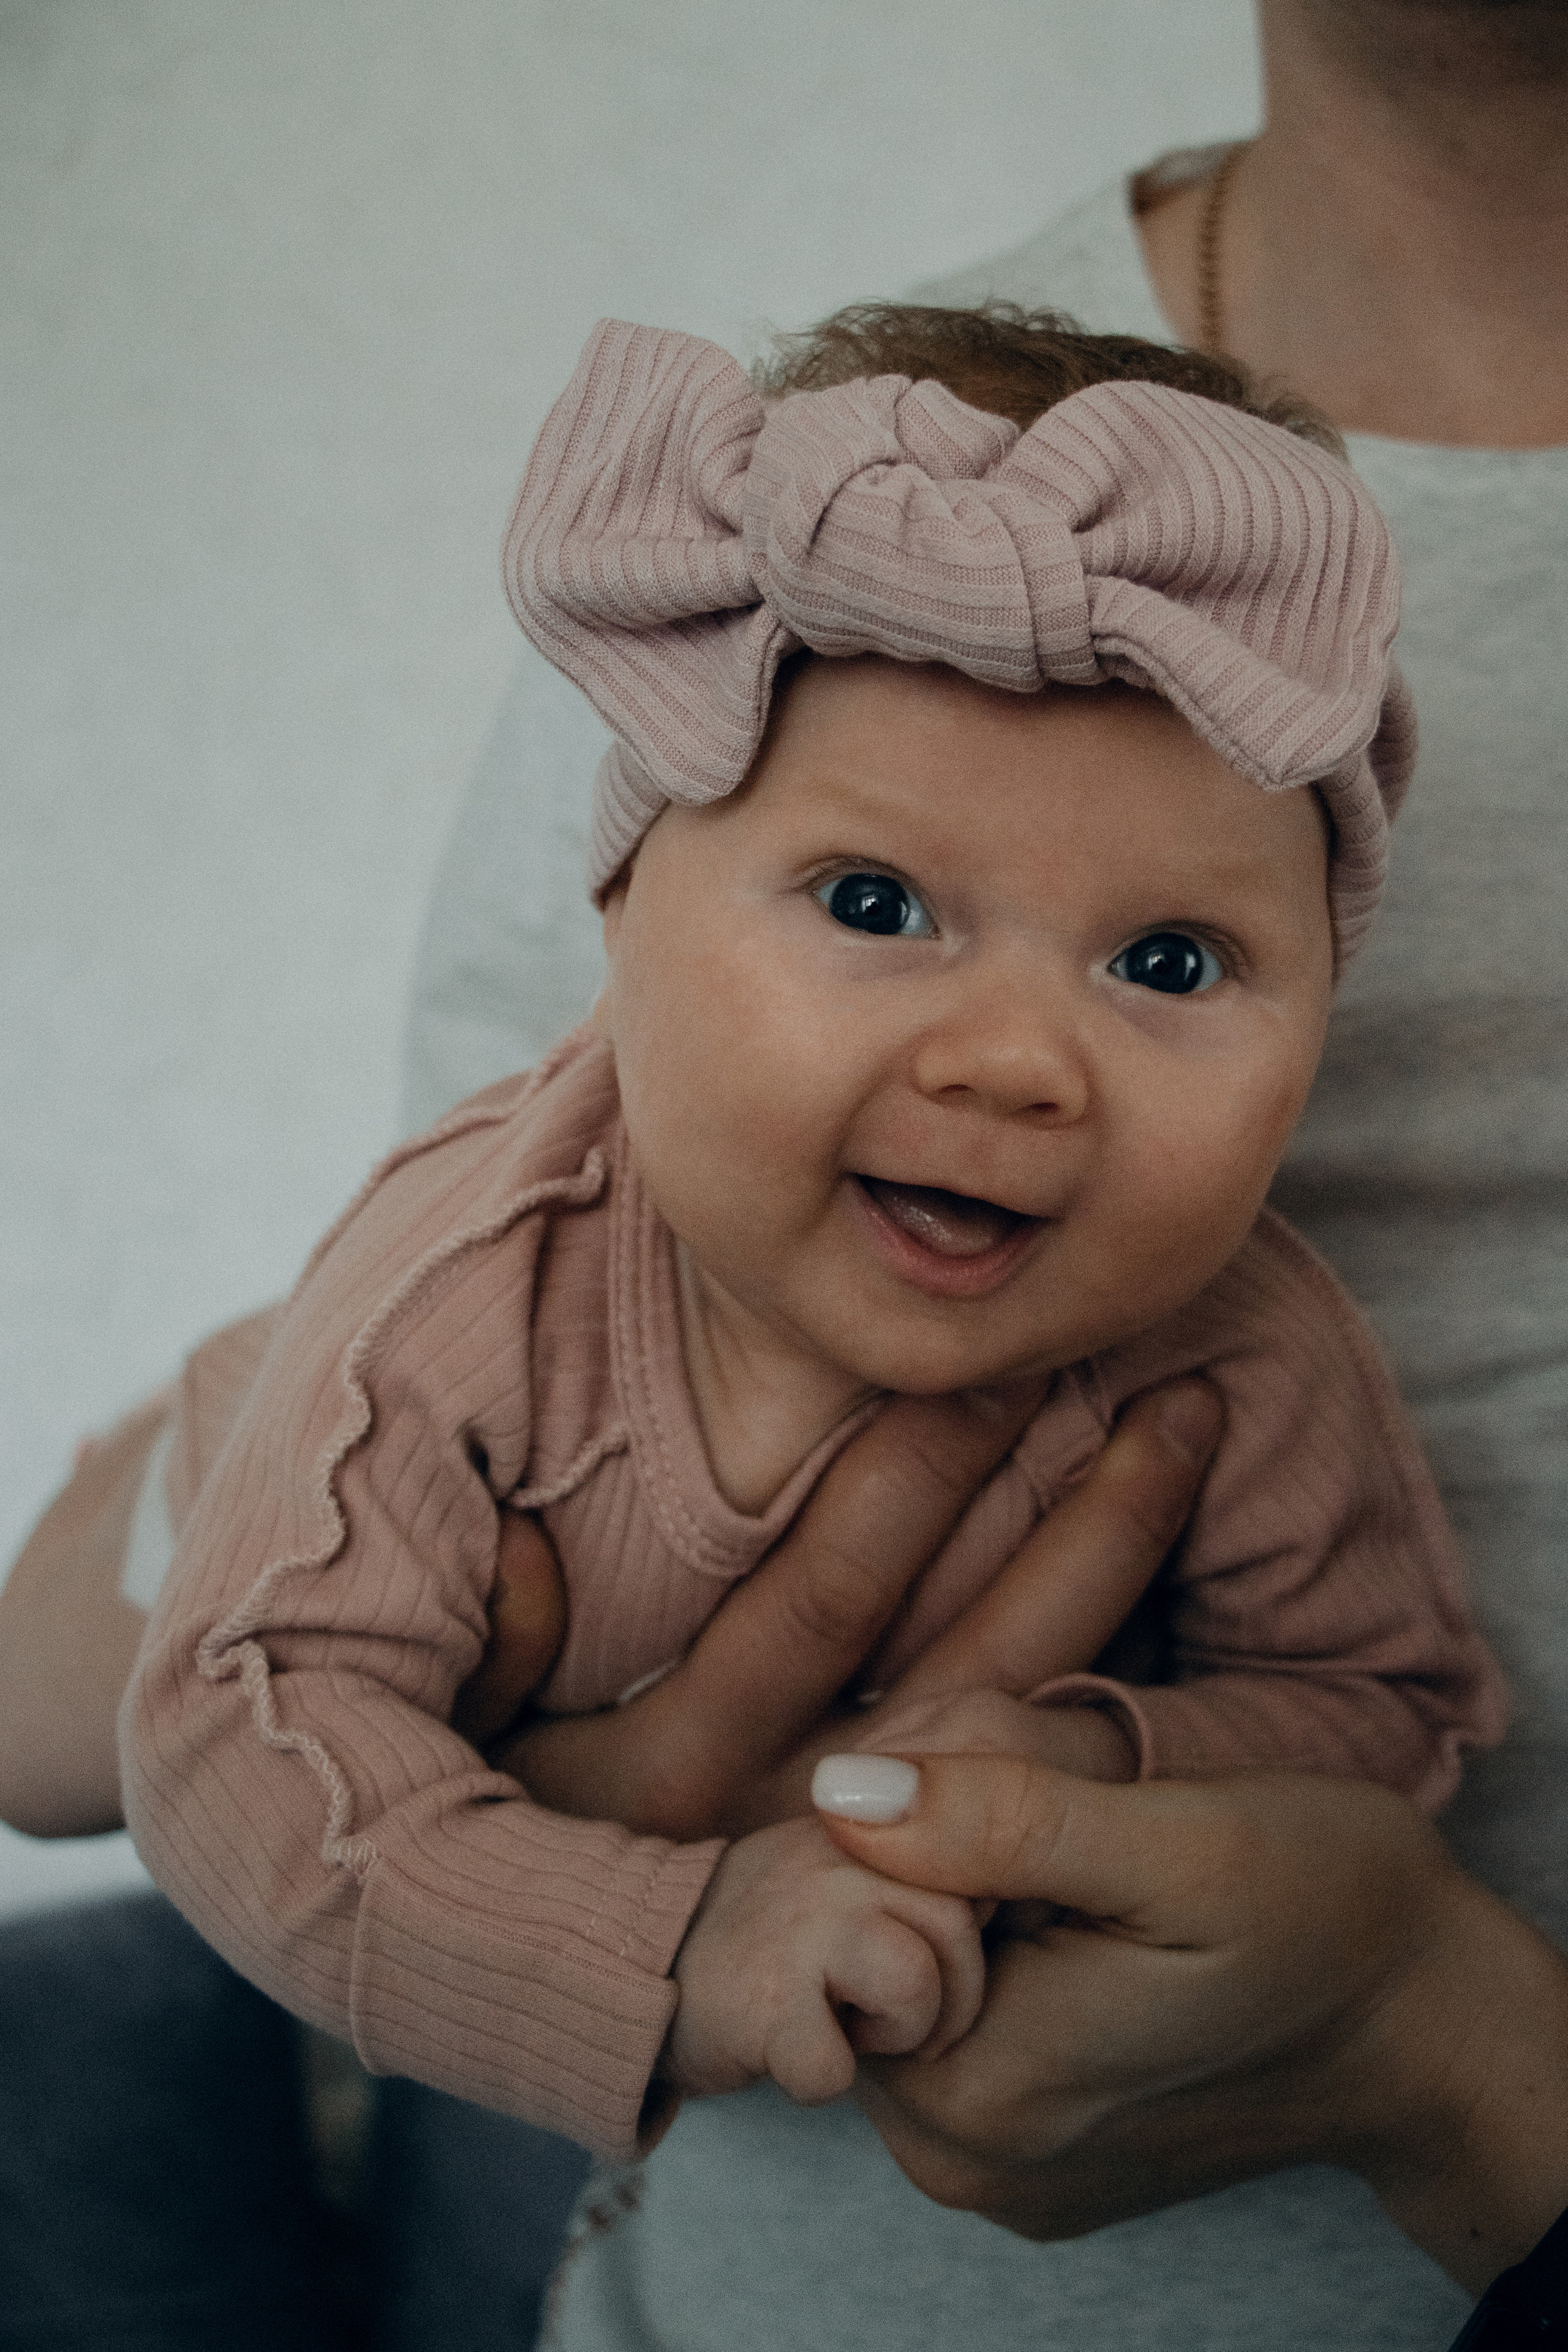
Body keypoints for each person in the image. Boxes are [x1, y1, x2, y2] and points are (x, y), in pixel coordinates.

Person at [6, 0, 1567, 2339]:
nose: (1020, 1063)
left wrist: (1103, 1763)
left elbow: (1386, 1695)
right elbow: (219, 1723)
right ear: (613, 923)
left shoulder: (1245, 1340)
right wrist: (673, 1930)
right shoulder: (493, 1272)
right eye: (872, 908)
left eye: (1167, 958)